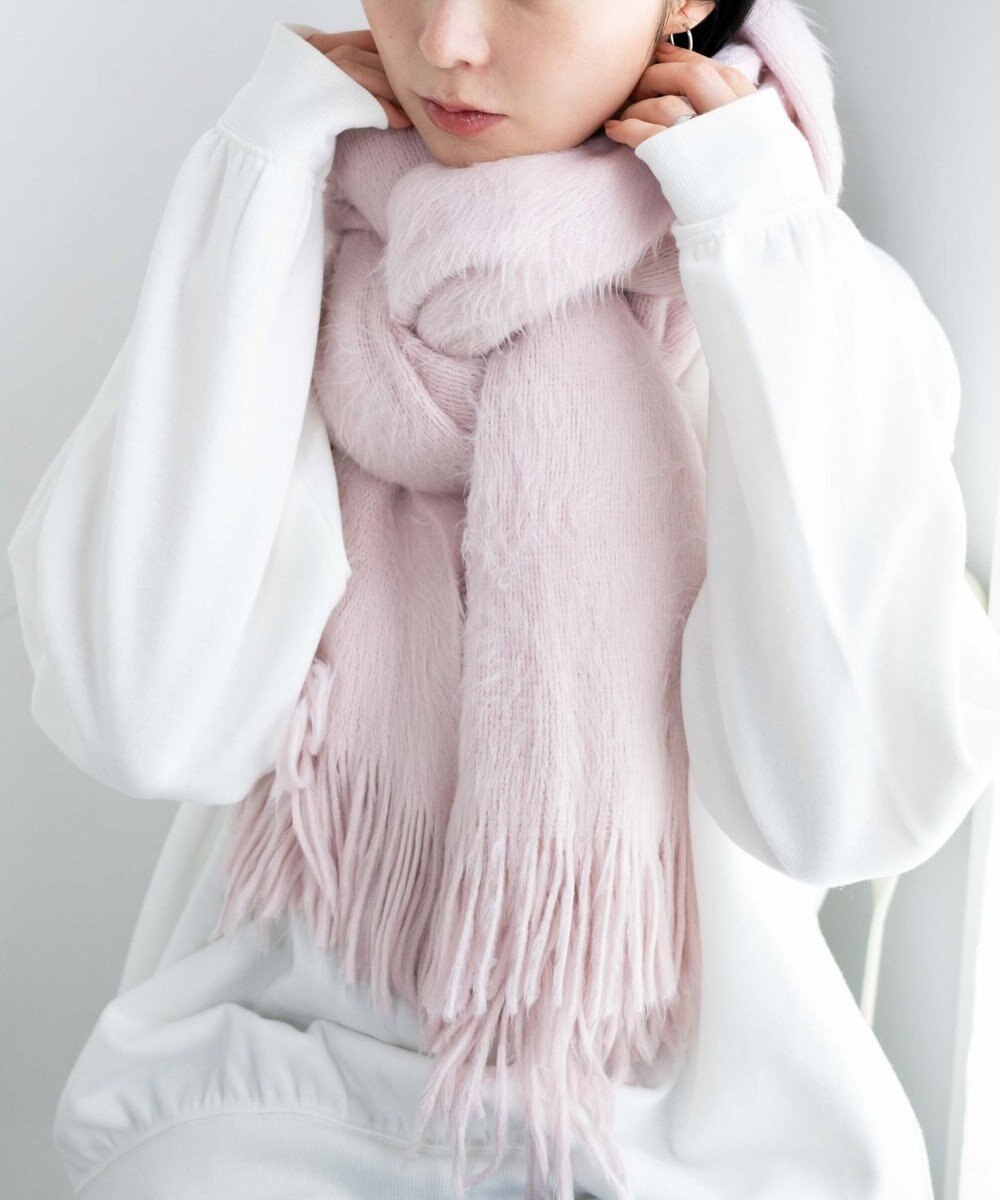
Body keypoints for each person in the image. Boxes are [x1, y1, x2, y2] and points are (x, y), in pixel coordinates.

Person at [9, 1, 1000, 1198]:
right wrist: (260, 160)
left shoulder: (796, 298)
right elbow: (143, 716)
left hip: (672, 1145)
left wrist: (756, 229)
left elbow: (840, 811)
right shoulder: (298, 247)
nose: (445, 42)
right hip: (262, 1100)